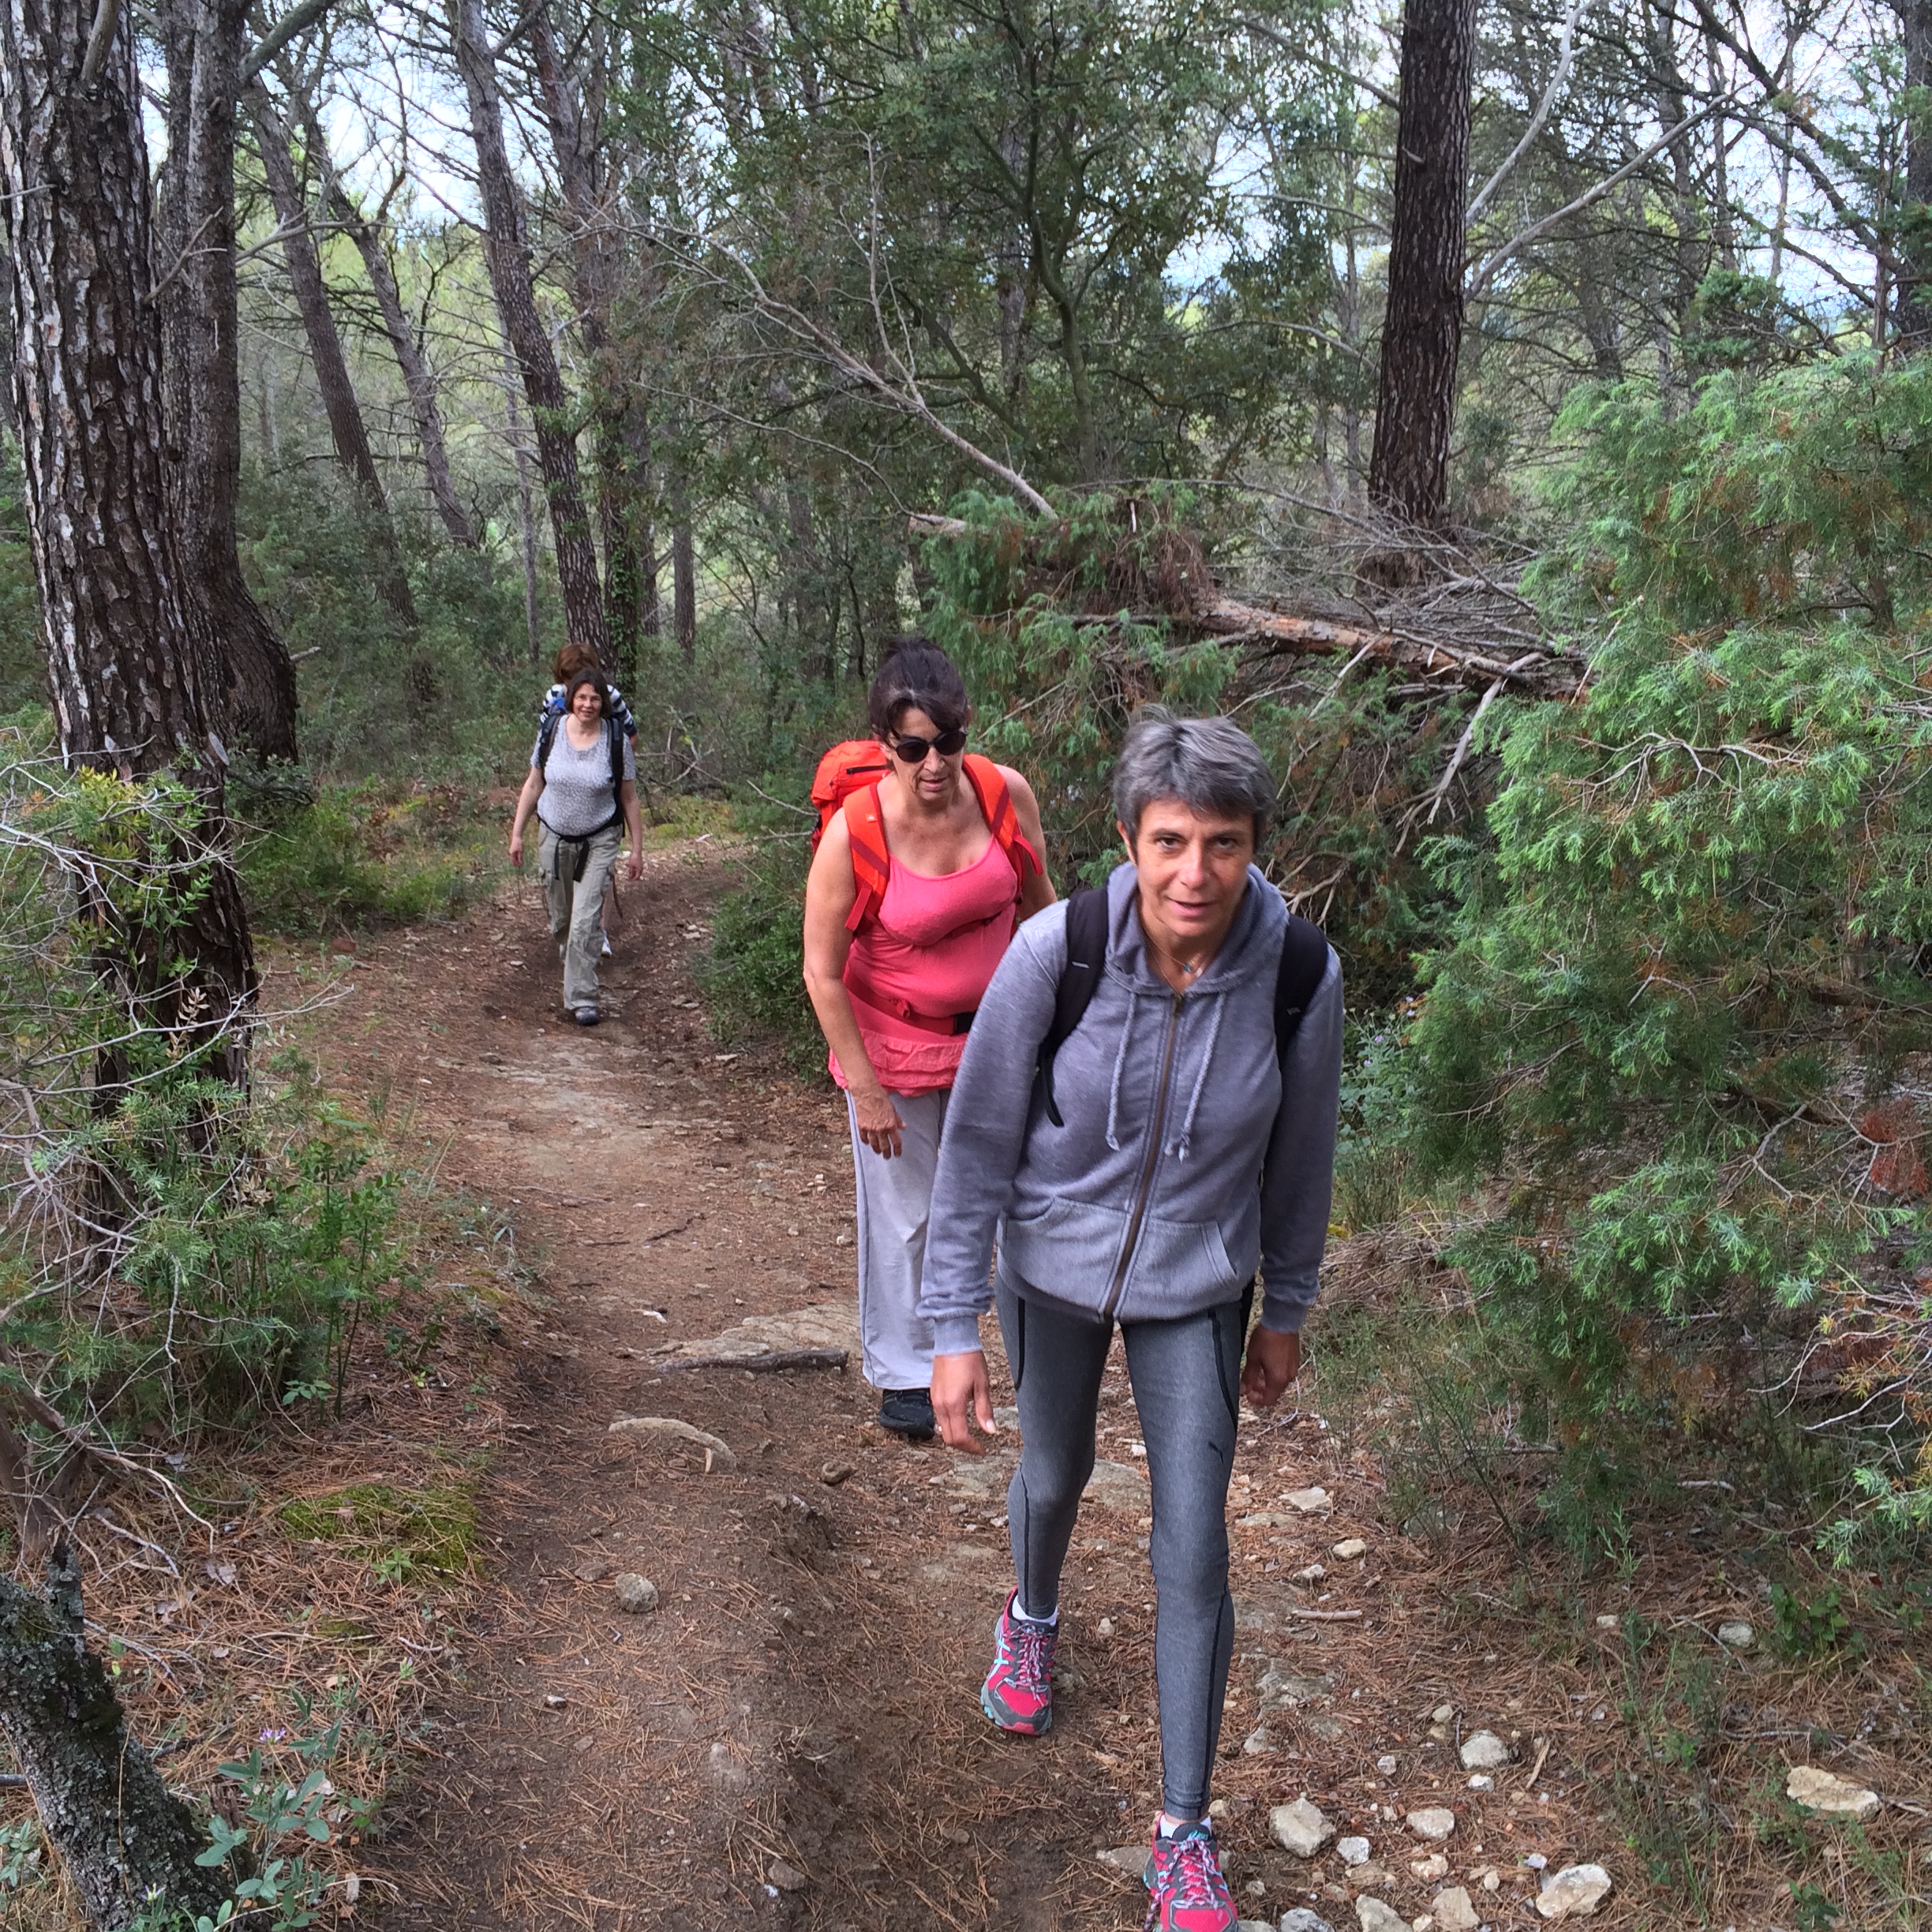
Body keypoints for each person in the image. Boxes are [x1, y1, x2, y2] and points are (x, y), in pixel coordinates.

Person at [918, 708, 1343, 1932]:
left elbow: (1302, 1157)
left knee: (1194, 1541)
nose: (1195, 872)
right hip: (1050, 1265)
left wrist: (1286, 1307)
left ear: (1254, 844)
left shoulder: (1298, 973)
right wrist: (951, 1326)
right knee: (1053, 1473)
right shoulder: (1058, 953)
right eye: (1170, 841)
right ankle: (1032, 1616)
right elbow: (978, 1146)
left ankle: (1184, 1832)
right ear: (1128, 839)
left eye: (1223, 843)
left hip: (1198, 1282)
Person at [802, 640, 1056, 1440]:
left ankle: (1031, 1358)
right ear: (884, 743)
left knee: (1018, 1203)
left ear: (965, 728)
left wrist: (1072, 1020)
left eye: (948, 742)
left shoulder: (1004, 794)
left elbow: (1043, 911)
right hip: (895, 1050)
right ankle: (908, 1375)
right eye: (913, 749)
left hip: (1001, 1042)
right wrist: (867, 1089)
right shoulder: (856, 832)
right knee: (908, 1214)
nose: (934, 764)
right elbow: (822, 972)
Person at [508, 668, 643, 1026]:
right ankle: (575, 961)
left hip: (600, 838)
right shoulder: (551, 731)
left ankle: (583, 998)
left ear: (604, 703)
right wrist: (517, 833)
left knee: (585, 920)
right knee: (562, 919)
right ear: (571, 699)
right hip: (554, 835)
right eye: (582, 697)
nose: (588, 704)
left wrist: (637, 850)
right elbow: (534, 784)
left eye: (595, 699)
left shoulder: (615, 740)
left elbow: (629, 798)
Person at [541, 643, 636, 959]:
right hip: (562, 789)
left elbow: (631, 734)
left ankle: (600, 931)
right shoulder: (553, 697)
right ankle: (571, 929)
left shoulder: (609, 696)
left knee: (599, 867)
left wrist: (611, 760)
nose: (573, 685)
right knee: (562, 871)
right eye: (568, 678)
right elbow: (543, 739)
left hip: (603, 785)